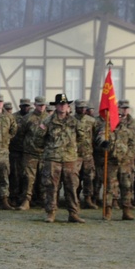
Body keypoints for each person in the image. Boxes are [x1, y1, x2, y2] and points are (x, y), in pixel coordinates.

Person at [38, 94, 87, 223]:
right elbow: (39, 138)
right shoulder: (48, 121)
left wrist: (71, 148)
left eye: (65, 104)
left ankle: (73, 213)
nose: (63, 106)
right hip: (53, 159)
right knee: (51, 187)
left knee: (72, 187)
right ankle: (51, 213)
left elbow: (81, 137)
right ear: (56, 106)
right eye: (60, 104)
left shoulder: (74, 122)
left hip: (70, 159)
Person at [100, 100, 135, 220]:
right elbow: (100, 138)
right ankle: (107, 210)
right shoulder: (107, 128)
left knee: (127, 186)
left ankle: (126, 210)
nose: (120, 117)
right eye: (117, 115)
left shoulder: (128, 131)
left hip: (125, 163)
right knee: (109, 187)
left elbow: (132, 145)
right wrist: (104, 143)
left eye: (122, 116)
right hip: (111, 162)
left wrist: (130, 158)